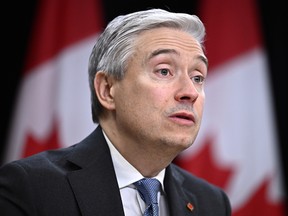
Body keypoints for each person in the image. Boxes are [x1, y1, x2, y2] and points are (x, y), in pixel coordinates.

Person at [0, 8, 231, 216]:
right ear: (108, 90)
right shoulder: (30, 188)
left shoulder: (211, 203)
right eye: (164, 71)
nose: (190, 92)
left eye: (198, 77)